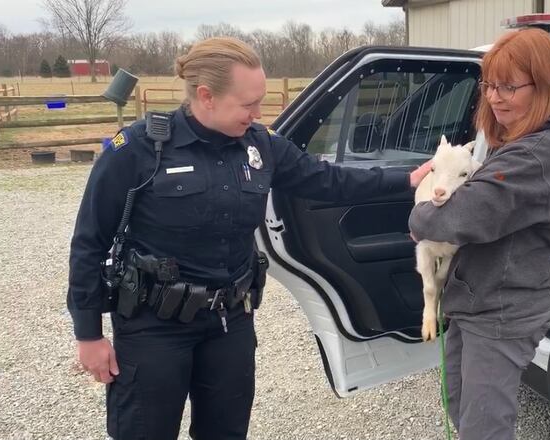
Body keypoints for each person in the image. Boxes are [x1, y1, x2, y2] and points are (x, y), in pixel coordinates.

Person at [67, 37, 431, 440]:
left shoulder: (262, 146)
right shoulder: (138, 149)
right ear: (206, 96)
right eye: (247, 104)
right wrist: (89, 333)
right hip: (154, 327)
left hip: (230, 323)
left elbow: (328, 180)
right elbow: (89, 242)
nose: (258, 113)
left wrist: (408, 180)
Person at [408, 28, 550, 439]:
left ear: (542, 86)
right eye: (489, 84)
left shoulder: (536, 154)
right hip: (476, 301)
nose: (494, 97)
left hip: (502, 311)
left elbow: (462, 215)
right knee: (458, 401)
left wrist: (420, 214)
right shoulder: (508, 141)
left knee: (484, 428)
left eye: (509, 86)